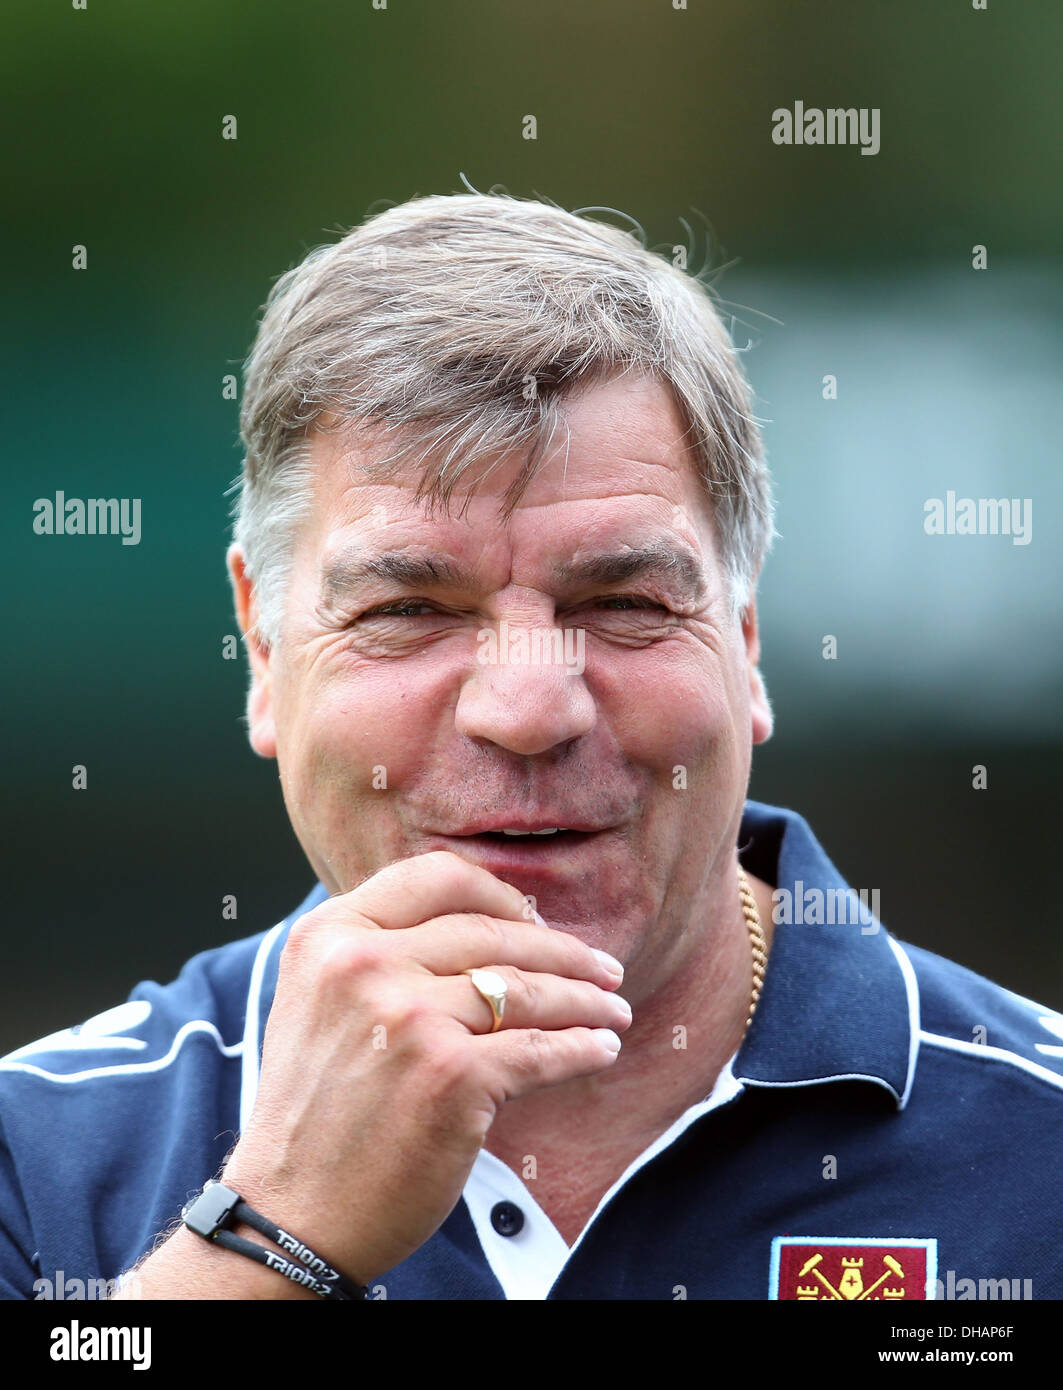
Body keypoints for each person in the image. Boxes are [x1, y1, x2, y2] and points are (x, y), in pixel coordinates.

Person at [3, 193, 1060, 1302]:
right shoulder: (38, 1158)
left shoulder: (1039, 1147)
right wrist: (271, 1238)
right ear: (263, 643)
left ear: (745, 640)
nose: (525, 709)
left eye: (620, 600)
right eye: (409, 609)